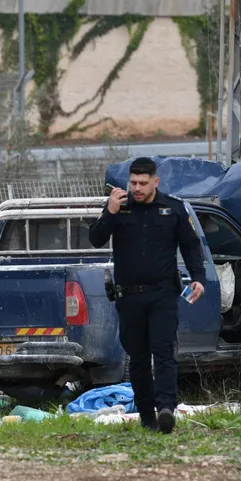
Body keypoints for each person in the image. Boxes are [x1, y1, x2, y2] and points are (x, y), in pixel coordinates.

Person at [88, 157, 206, 434]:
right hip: (129, 297)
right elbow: (95, 238)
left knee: (164, 351)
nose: (137, 188)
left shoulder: (173, 208)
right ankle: (146, 416)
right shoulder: (119, 207)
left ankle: (166, 408)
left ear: (155, 182)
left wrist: (198, 277)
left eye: (143, 183)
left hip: (163, 294)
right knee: (138, 359)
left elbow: (191, 245)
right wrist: (110, 212)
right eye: (133, 183)